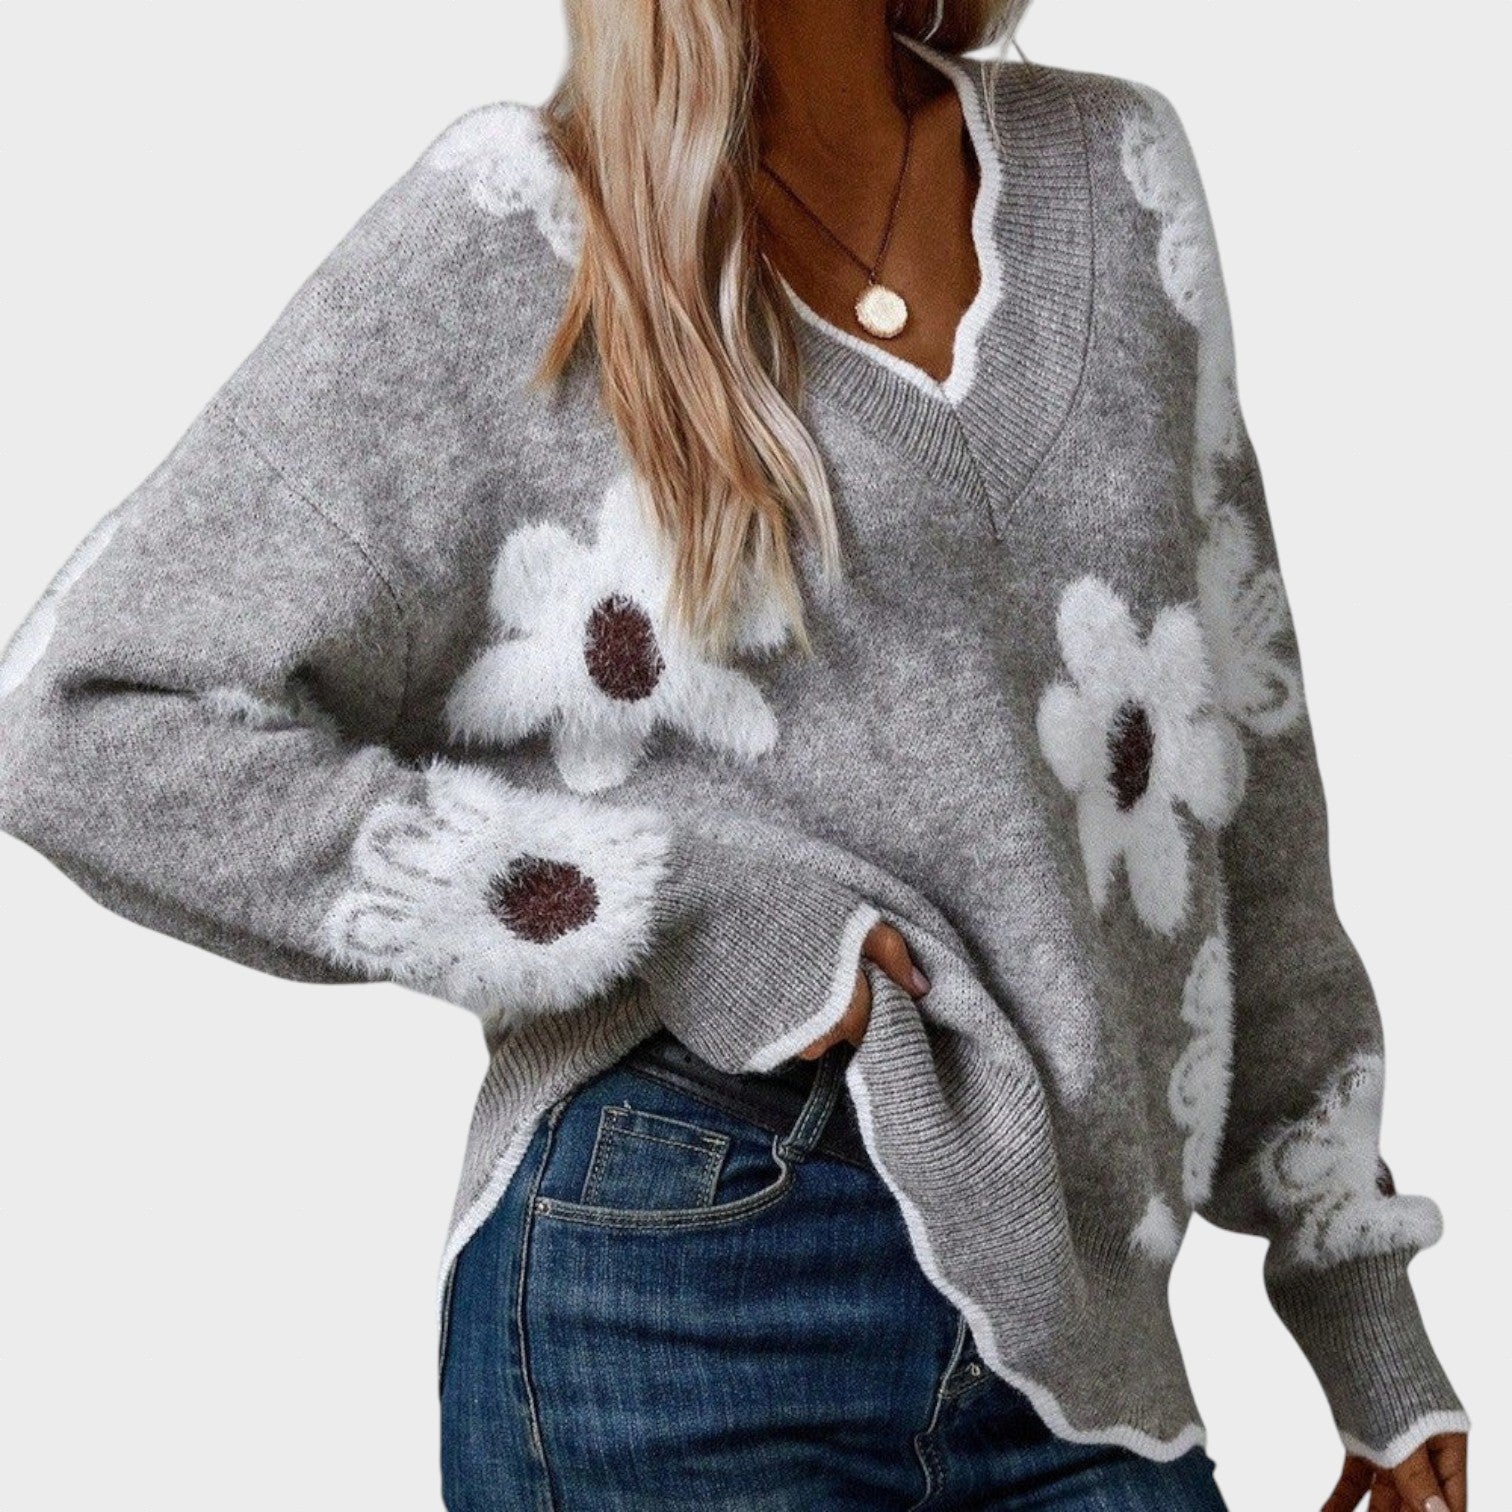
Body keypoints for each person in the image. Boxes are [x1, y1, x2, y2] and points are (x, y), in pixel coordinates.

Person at [0, 1, 1472, 1508]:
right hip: (679, 1279)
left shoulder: (1114, 174)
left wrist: (1354, 1283)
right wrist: (676, 905)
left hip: (1085, 1336)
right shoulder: (522, 232)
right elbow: (87, 719)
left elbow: (1244, 768)